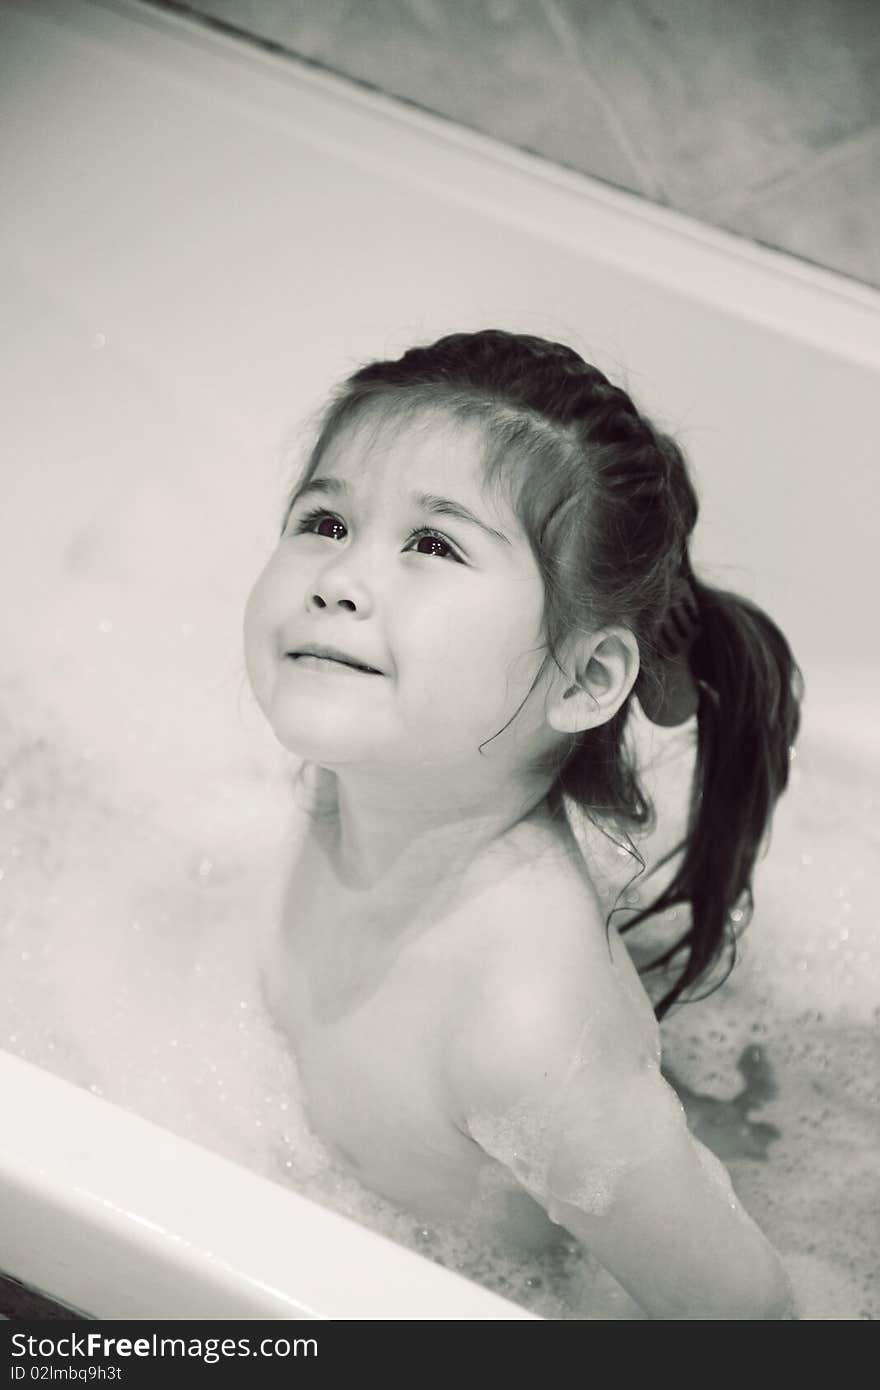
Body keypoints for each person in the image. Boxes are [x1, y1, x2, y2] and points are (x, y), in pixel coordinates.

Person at [244, 329, 803, 1318]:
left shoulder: (526, 1024)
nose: (337, 578)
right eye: (325, 521)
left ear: (586, 680)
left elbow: (752, 1323)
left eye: (433, 543)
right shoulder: (354, 777)